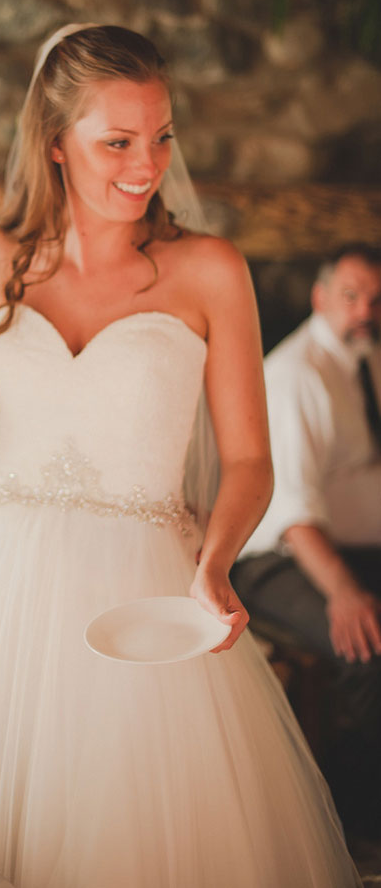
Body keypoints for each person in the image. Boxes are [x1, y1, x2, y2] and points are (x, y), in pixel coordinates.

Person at [0, 25, 360, 886]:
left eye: (161, 135)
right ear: (56, 144)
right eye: (117, 141)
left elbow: (248, 461)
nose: (146, 162)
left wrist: (216, 562)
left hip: (152, 596)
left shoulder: (210, 270)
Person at [232, 243, 381, 844]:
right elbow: (292, 515)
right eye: (351, 296)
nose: (364, 310)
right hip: (277, 558)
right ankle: (353, 823)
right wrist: (345, 593)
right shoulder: (296, 375)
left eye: (375, 299)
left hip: (350, 545)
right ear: (320, 297)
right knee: (368, 647)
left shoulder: (364, 357)